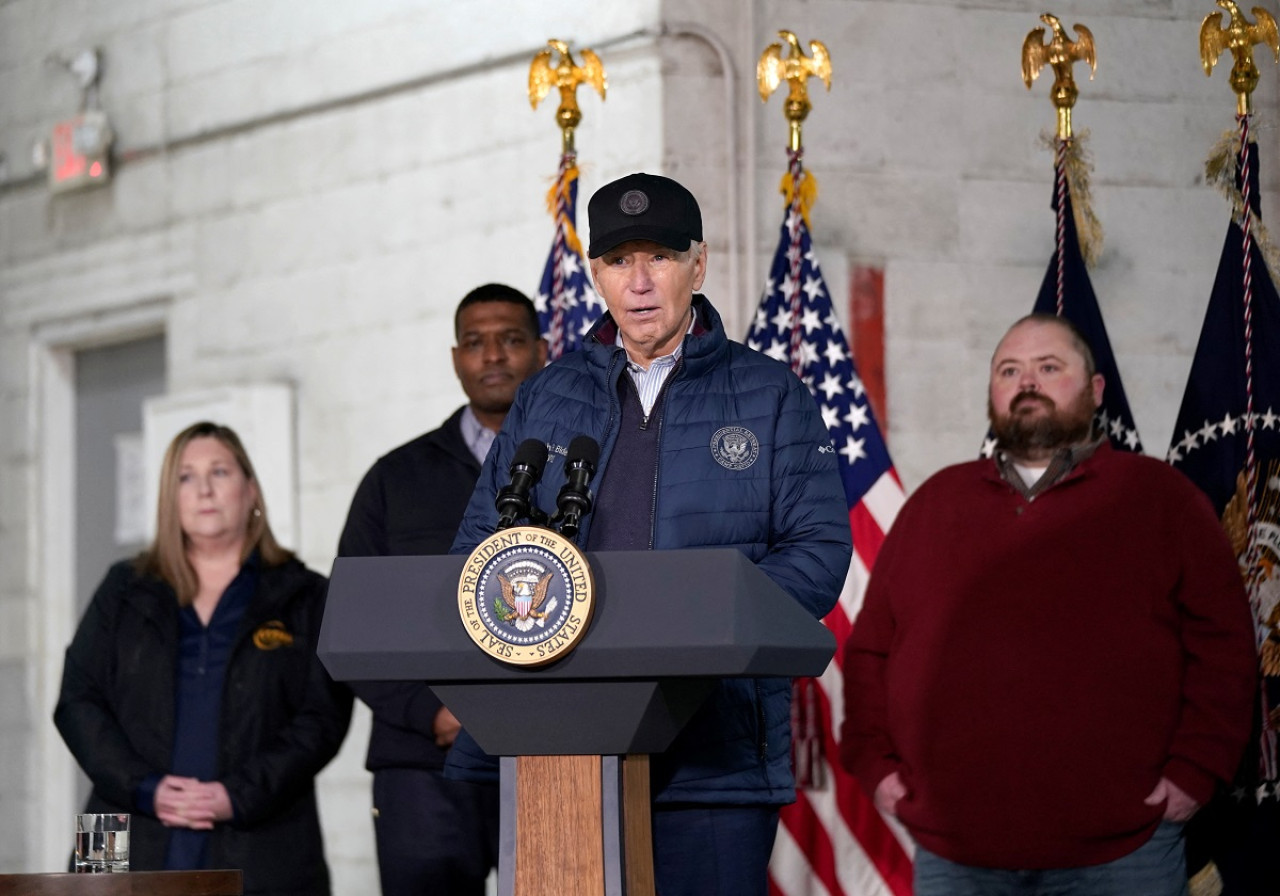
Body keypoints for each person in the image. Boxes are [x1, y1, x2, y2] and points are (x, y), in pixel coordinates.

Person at [447, 172, 853, 896]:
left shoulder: (770, 396)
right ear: (595, 274)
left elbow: (817, 554)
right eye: (618, 261)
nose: (638, 282)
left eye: (659, 258)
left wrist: (692, 628)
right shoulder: (548, 393)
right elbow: (480, 549)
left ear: (698, 265)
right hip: (558, 749)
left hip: (712, 755)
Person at [839, 313, 1258, 896]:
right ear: (993, 393)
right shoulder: (936, 503)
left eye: (1049, 367)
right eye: (1009, 370)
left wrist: (1195, 771)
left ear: (1094, 391)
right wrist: (875, 764)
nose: (1027, 381)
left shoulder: (1161, 499)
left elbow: (1226, 649)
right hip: (954, 850)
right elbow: (869, 654)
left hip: (1123, 848)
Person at [54, 421, 352, 894]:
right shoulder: (121, 587)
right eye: (185, 477)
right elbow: (77, 702)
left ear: (250, 489)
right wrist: (143, 786)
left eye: (220, 472)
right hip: (113, 821)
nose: (204, 490)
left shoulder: (305, 595)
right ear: (169, 498)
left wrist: (237, 796)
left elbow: (322, 718)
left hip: (260, 829)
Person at [337, 283, 547, 896]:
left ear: (540, 349)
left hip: (552, 754)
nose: (493, 357)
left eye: (510, 340)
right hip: (423, 762)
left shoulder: (581, 468)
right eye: (476, 343)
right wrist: (431, 711)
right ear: (456, 358)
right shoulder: (396, 478)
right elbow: (352, 622)